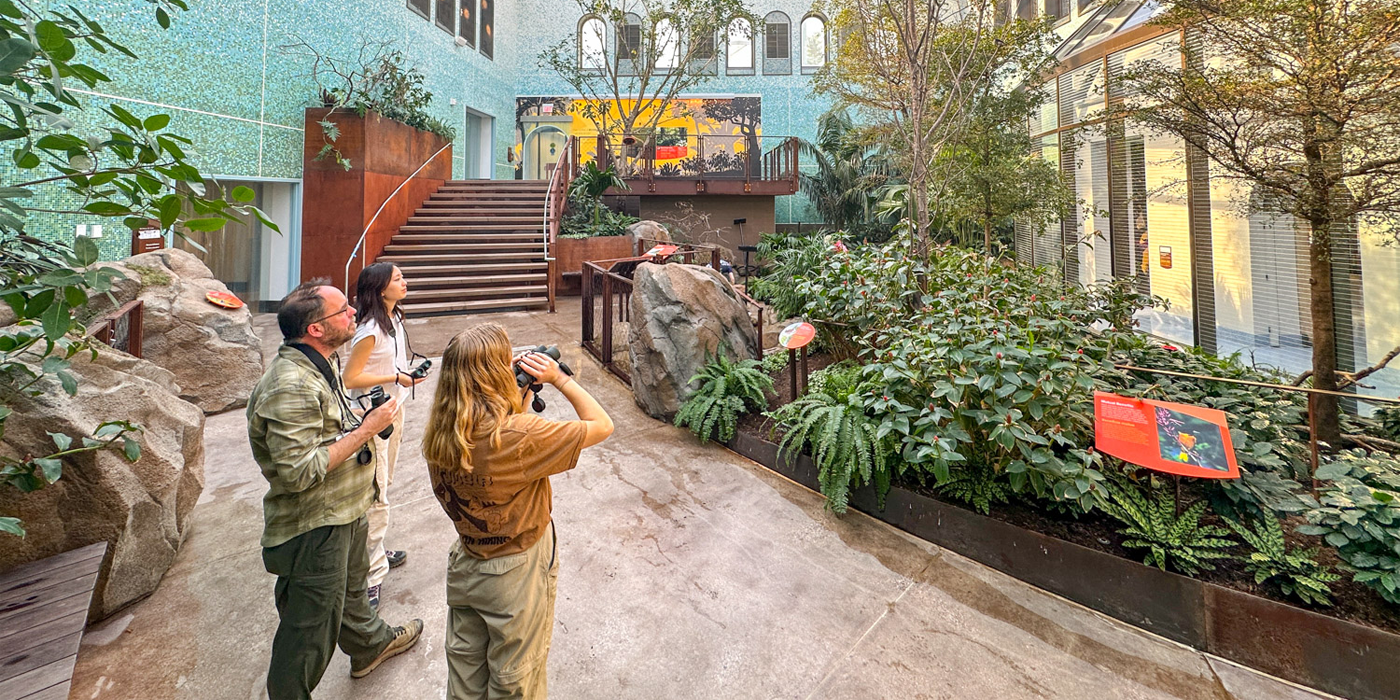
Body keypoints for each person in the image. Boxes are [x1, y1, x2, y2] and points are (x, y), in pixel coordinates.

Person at [247, 279, 424, 700]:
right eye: (342, 311)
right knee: (308, 627)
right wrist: (368, 429)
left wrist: (362, 418)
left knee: (351, 591)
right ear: (315, 329)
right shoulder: (289, 384)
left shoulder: (318, 363)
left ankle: (369, 645)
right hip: (316, 523)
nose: (352, 314)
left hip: (345, 508)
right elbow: (299, 472)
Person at [423, 324, 614, 699]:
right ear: (495, 372)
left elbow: (493, 445)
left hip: (468, 561)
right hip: (516, 571)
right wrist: (558, 377)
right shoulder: (519, 436)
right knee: (515, 678)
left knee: (465, 672)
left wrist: (513, 399)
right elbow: (602, 425)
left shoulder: (442, 430)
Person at [343, 262, 426, 610]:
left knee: (384, 483)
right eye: (397, 279)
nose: (404, 282)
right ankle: (371, 576)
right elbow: (350, 378)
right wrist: (398, 377)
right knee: (376, 494)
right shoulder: (369, 331)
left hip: (394, 408)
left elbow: (390, 367)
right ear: (379, 289)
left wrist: (403, 378)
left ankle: (373, 551)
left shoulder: (395, 320)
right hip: (372, 416)